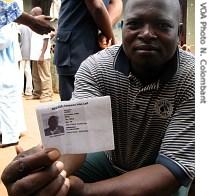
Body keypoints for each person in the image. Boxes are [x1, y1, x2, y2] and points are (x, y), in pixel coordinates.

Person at [1, 0, 194, 195]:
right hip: (110, 161)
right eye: (134, 24)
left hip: (161, 168)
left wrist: (85, 191)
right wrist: (46, 174)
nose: (145, 33)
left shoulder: (193, 79)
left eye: (162, 25)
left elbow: (171, 170)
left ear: (180, 33)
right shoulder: (97, 68)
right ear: (123, 28)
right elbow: (75, 140)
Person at [0, 0, 53, 147]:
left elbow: (3, 41)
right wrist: (31, 22)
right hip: (21, 58)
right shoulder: (15, 23)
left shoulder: (8, 23)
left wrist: (31, 22)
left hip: (8, 64)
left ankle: (10, 136)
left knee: (7, 98)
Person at [54, 0, 123, 100]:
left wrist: (107, 32)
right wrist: (108, 34)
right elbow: (100, 5)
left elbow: (102, 5)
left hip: (77, 46)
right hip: (78, 47)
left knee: (75, 109)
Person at [29, 7, 53, 102]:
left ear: (36, 14)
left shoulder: (44, 23)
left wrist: (42, 54)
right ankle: (37, 93)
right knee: (35, 76)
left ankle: (47, 94)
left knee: (44, 75)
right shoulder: (33, 24)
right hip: (34, 55)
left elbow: (46, 40)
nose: (30, 14)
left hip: (42, 55)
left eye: (32, 13)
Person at [18, 24, 33, 97]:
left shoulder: (19, 27)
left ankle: (20, 91)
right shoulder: (30, 27)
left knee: (21, 72)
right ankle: (29, 91)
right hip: (29, 52)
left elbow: (17, 41)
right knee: (28, 72)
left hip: (21, 52)